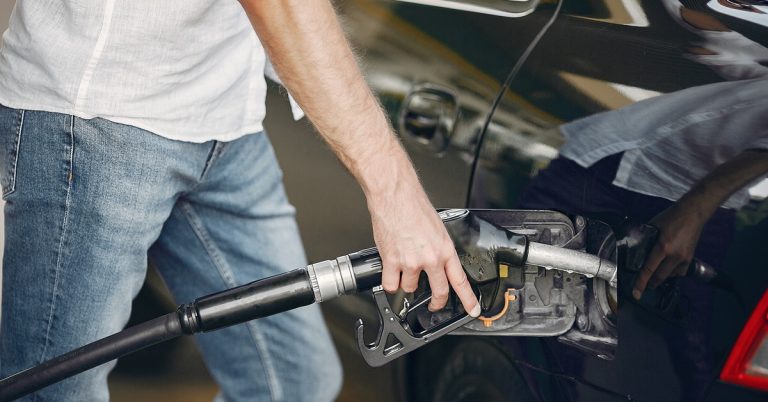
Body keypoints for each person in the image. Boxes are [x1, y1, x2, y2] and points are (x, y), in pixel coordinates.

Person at [0, 2, 480, 402]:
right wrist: (395, 193)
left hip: (225, 116)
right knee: (54, 390)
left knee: (291, 384)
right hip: (100, 115)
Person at [517, 77, 768, 402]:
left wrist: (697, 207)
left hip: (703, 198)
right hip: (606, 156)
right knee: (535, 324)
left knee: (693, 357)